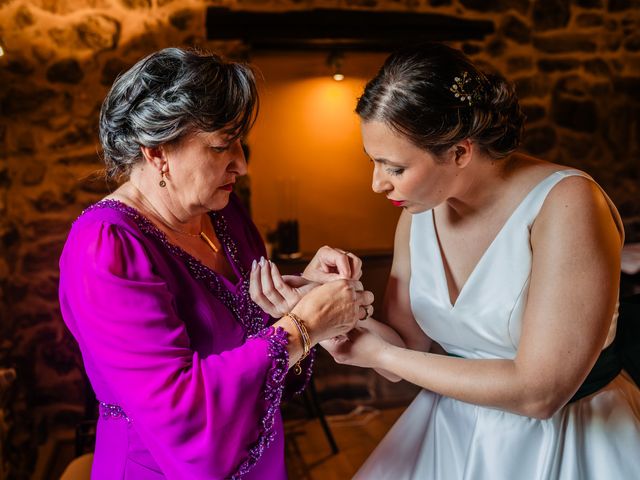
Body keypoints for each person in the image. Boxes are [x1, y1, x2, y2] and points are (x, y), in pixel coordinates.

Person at [255, 43, 640, 479]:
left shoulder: (567, 203)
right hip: (454, 437)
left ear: (460, 152)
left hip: (570, 440)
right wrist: (324, 310)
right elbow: (407, 347)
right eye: (373, 162)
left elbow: (541, 394)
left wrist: (380, 353)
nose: (377, 184)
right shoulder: (420, 211)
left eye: (393, 167)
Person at [58, 47, 374, 479]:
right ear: (156, 152)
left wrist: (301, 289)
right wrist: (303, 327)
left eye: (241, 143)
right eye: (222, 146)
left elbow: (234, 318)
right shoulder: (107, 246)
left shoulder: (225, 213)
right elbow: (178, 409)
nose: (241, 164)